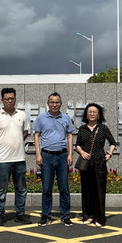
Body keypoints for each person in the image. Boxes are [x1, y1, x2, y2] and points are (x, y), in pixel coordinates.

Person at [0, 88, 32, 226]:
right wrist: (0, 145)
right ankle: (0, 214)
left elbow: (25, 132)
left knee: (21, 189)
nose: (10, 101)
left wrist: (16, 143)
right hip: (3, 160)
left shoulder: (22, 115)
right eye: (7, 99)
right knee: (0, 189)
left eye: (12, 98)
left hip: (19, 159)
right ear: (2, 100)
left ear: (15, 99)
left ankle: (20, 214)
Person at [33, 92, 75, 227]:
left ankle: (65, 216)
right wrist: (38, 154)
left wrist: (70, 154)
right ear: (48, 103)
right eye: (52, 102)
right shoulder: (41, 118)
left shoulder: (66, 118)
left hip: (62, 156)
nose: (54, 104)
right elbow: (36, 135)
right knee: (46, 188)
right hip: (46, 155)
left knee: (64, 187)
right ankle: (46, 215)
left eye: (57, 102)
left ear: (61, 104)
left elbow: (69, 136)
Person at [75, 103, 118, 227]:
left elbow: (112, 142)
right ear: (86, 114)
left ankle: (99, 218)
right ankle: (88, 215)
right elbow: (77, 145)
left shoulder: (103, 128)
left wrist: (109, 154)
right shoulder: (82, 129)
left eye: (95, 112)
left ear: (99, 115)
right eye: (90, 112)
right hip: (86, 164)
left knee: (99, 190)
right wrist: (82, 152)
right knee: (86, 190)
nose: (92, 114)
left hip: (99, 163)